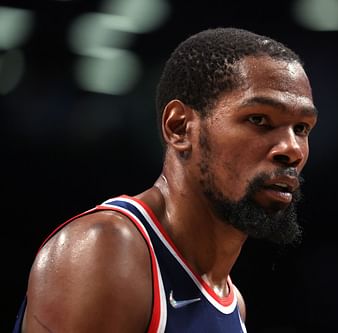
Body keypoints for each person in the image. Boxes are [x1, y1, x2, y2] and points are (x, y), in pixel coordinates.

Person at [13, 27, 318, 332]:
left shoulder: (233, 303)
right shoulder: (107, 250)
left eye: (302, 128)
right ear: (180, 127)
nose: (291, 149)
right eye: (258, 119)